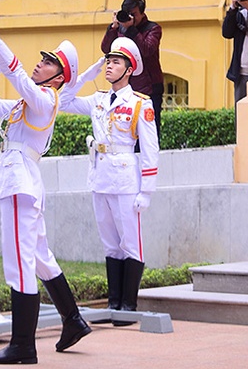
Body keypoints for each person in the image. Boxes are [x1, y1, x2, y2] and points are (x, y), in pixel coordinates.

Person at [0, 0, 90, 365]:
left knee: (19, 263)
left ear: (58, 77)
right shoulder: (27, 103)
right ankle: (73, 319)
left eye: (48, 62)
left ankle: (23, 345)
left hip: (20, 182)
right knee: (39, 257)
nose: (40, 63)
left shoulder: (45, 99)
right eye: (42, 59)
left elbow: (19, 74)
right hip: (22, 181)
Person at [61, 38, 159, 318]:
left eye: (116, 62)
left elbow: (151, 149)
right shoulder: (98, 100)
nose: (109, 66)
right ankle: (114, 303)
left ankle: (129, 305)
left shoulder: (140, 103)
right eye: (108, 61)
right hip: (100, 177)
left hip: (127, 179)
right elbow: (64, 101)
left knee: (130, 242)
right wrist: (86, 76)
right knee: (110, 243)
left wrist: (147, 191)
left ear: (129, 70)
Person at [101, 0, 163, 141]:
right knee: (126, 128)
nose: (130, 17)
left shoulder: (153, 29)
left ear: (142, 13)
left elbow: (147, 50)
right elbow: (106, 49)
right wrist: (113, 28)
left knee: (149, 130)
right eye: (126, 13)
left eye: (134, 14)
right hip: (127, 87)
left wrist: (131, 30)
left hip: (150, 87)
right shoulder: (120, 28)